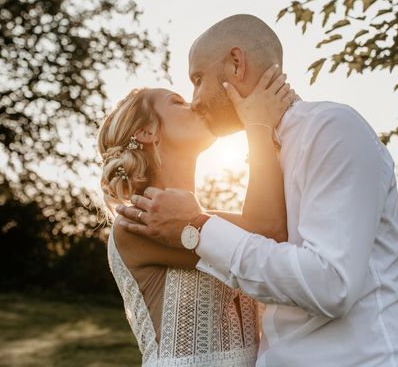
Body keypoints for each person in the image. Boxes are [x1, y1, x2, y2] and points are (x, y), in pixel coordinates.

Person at [117, 14, 398, 366]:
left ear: (236, 64)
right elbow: (268, 245)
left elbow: (332, 284)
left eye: (198, 79)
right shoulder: (270, 157)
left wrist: (199, 229)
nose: (195, 100)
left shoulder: (331, 129)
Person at [97, 66, 295, 366]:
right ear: (146, 132)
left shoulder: (204, 219)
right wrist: (257, 123)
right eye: (178, 102)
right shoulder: (136, 222)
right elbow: (268, 229)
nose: (196, 104)